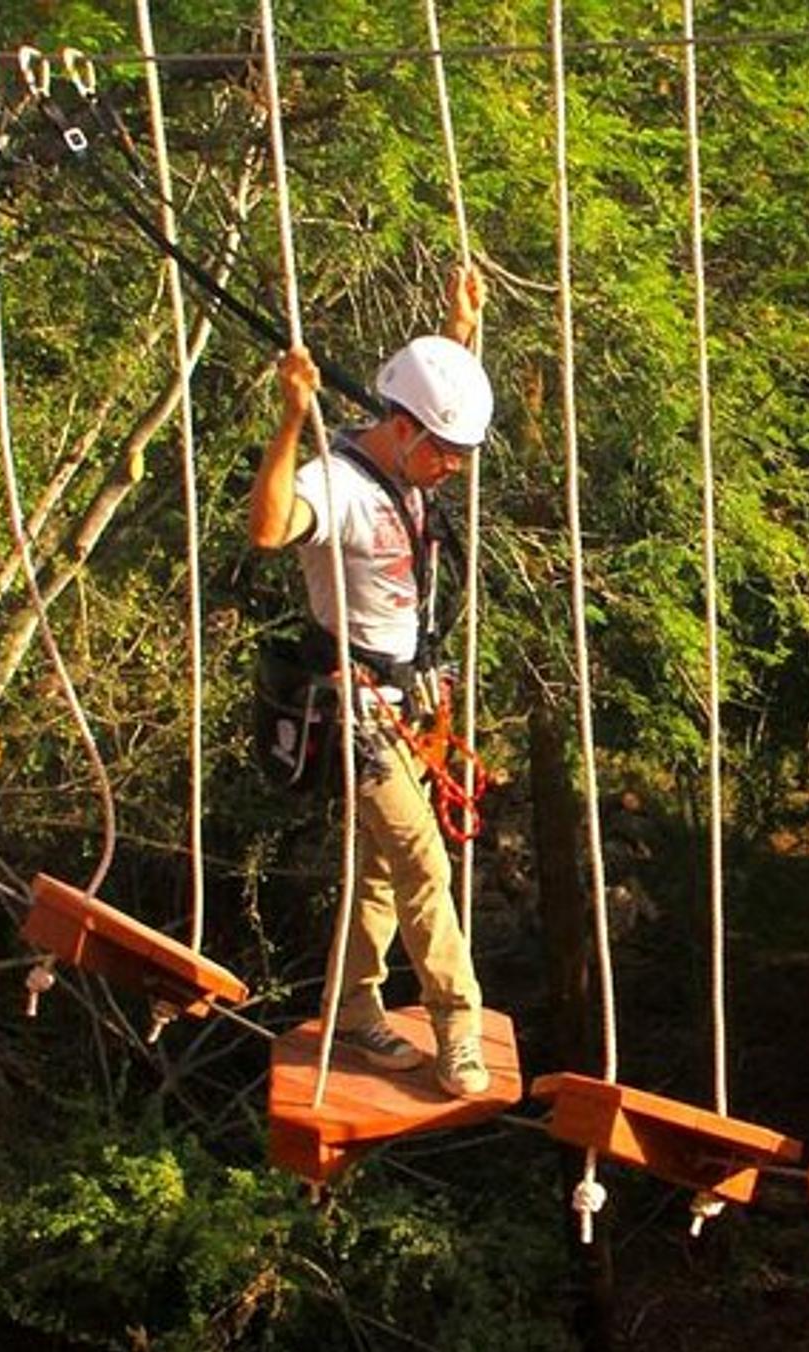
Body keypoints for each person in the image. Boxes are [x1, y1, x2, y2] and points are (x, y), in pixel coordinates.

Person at [247, 266, 491, 1098]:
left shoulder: (411, 453)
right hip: (357, 710)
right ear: (402, 429)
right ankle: (459, 1027)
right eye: (447, 456)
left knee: (386, 870)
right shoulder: (337, 482)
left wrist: (457, 332)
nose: (454, 471)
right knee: (426, 861)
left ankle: (353, 1005)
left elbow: (438, 393)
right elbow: (271, 526)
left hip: (412, 700)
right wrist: (288, 421)